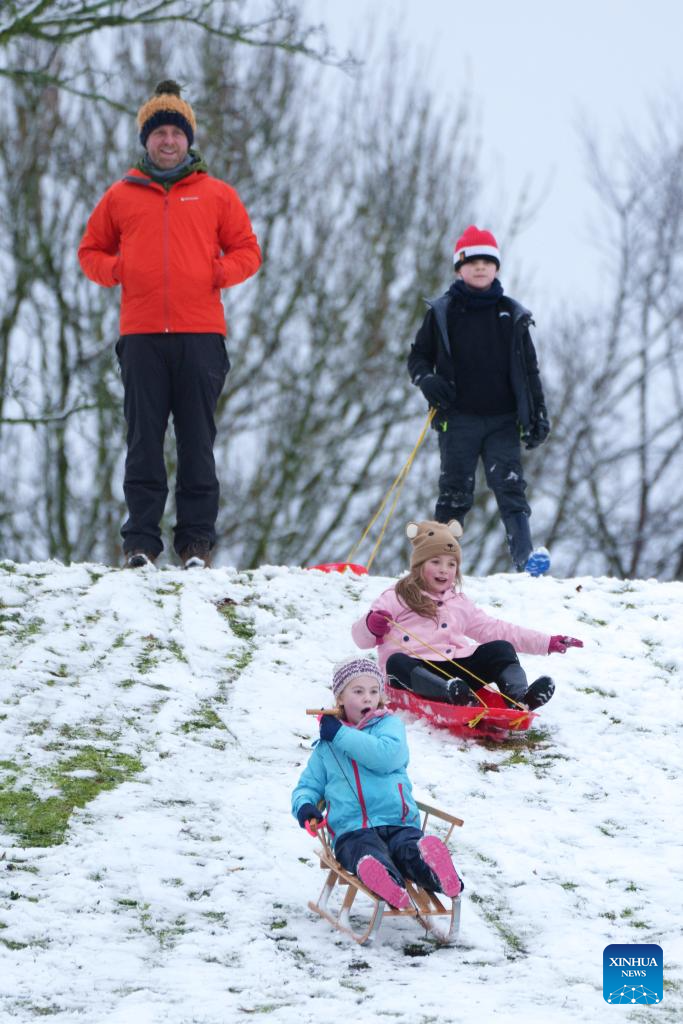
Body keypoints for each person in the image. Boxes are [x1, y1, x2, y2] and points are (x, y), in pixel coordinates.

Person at [78, 80, 262, 570]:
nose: (167, 141)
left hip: (201, 336)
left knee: (197, 442)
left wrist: (218, 272)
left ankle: (196, 544)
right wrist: (117, 270)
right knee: (143, 443)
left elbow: (248, 249)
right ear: (146, 141)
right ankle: (140, 542)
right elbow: (89, 252)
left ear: (189, 139)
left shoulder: (217, 195)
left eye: (175, 133)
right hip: (140, 338)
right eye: (158, 132)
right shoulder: (120, 196)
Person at [408, 224, 550, 575]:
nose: (480, 267)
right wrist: (427, 380)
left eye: (488, 261)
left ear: (497, 267)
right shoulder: (443, 312)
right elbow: (417, 357)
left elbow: (529, 371)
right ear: (459, 268)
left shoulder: (512, 316)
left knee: (511, 489)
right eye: (472, 261)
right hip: (458, 420)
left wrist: (537, 415)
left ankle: (525, 560)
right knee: (455, 493)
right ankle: (434, 565)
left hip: (503, 420)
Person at [351, 520, 583, 709]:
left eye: (451, 564)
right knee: (396, 662)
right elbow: (361, 639)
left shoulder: (459, 603)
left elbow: (497, 629)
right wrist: (371, 625)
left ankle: (519, 698)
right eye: (436, 562)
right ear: (419, 566)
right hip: (413, 673)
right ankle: (448, 694)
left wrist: (547, 642)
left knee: (500, 648)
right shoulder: (397, 595)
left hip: (455, 670)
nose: (444, 569)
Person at [292, 657, 463, 910]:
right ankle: (387, 884)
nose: (367, 698)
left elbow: (385, 757)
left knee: (411, 851)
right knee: (366, 854)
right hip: (352, 830)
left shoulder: (389, 726)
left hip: (397, 821)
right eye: (358, 691)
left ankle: (439, 873)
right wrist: (305, 807)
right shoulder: (327, 747)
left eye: (374, 691)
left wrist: (340, 734)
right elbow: (308, 786)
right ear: (339, 698)